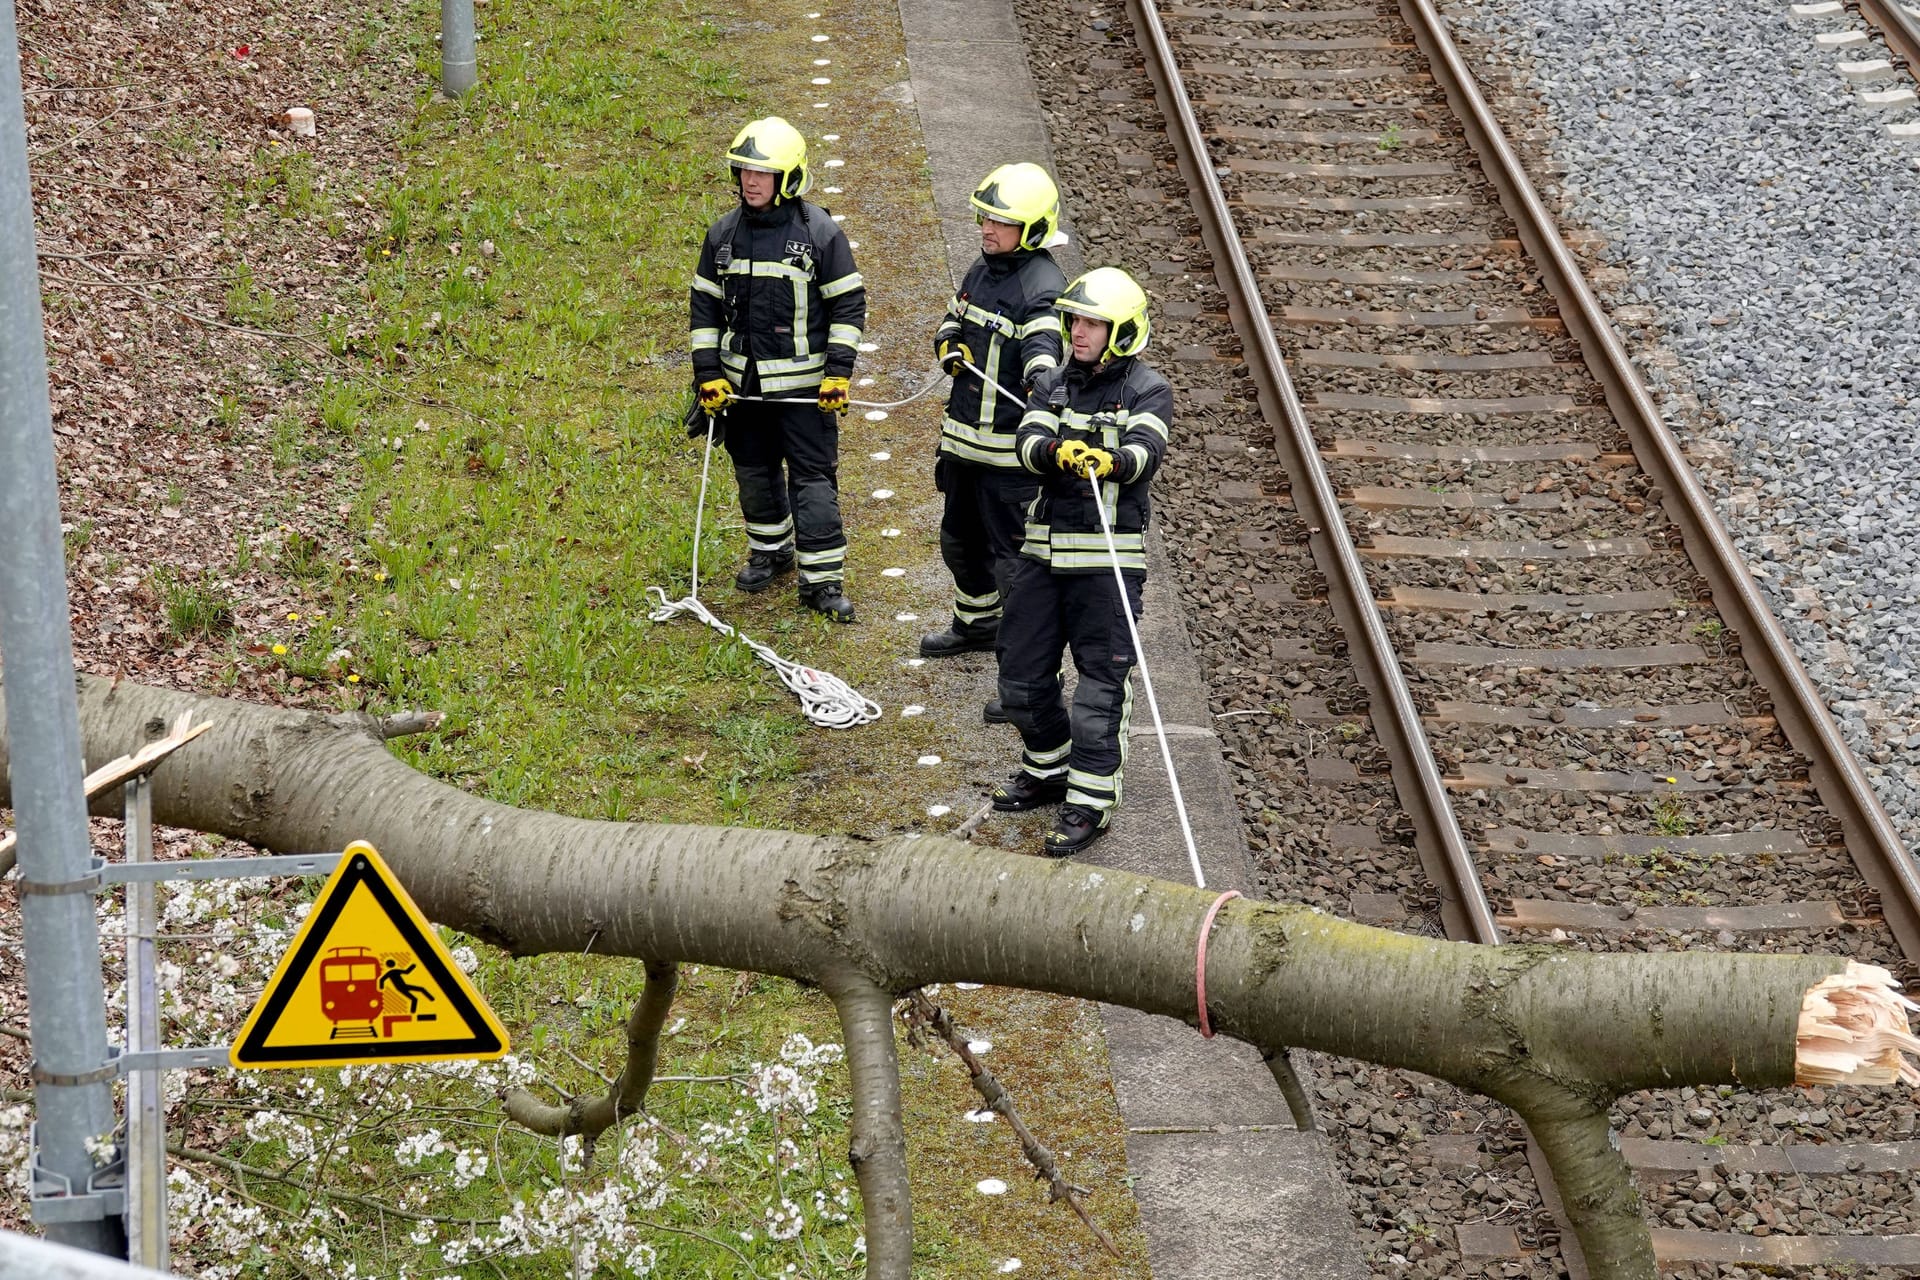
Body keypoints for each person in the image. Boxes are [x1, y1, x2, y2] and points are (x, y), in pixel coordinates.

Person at [991, 268, 1171, 856]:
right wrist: (1053, 451)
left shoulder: (1148, 388)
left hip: (1108, 568)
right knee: (1019, 681)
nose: (1079, 332)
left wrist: (1107, 461)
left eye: (1092, 322)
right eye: (1075, 321)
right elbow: (1027, 442)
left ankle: (1089, 802)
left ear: (1121, 331)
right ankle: (1047, 771)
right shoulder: (1055, 384)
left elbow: (1146, 451)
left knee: (1099, 695)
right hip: (1042, 561)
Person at [689, 116, 867, 622]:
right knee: (753, 473)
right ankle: (771, 551)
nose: (750, 180)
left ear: (789, 178)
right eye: (744, 169)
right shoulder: (722, 234)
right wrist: (708, 374)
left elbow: (848, 307)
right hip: (740, 389)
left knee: (812, 481)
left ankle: (823, 580)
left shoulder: (820, 234)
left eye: (762, 172)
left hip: (806, 393)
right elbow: (703, 308)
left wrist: (838, 372)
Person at [920, 164, 1067, 724]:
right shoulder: (981, 271)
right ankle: (975, 624)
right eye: (985, 216)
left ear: (1030, 231)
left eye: (1000, 221)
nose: (986, 227)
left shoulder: (1043, 290)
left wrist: (1040, 381)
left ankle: (1028, 683)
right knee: (958, 543)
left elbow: (1044, 356)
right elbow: (949, 322)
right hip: (962, 447)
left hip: (1010, 462)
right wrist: (949, 347)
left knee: (1017, 573)